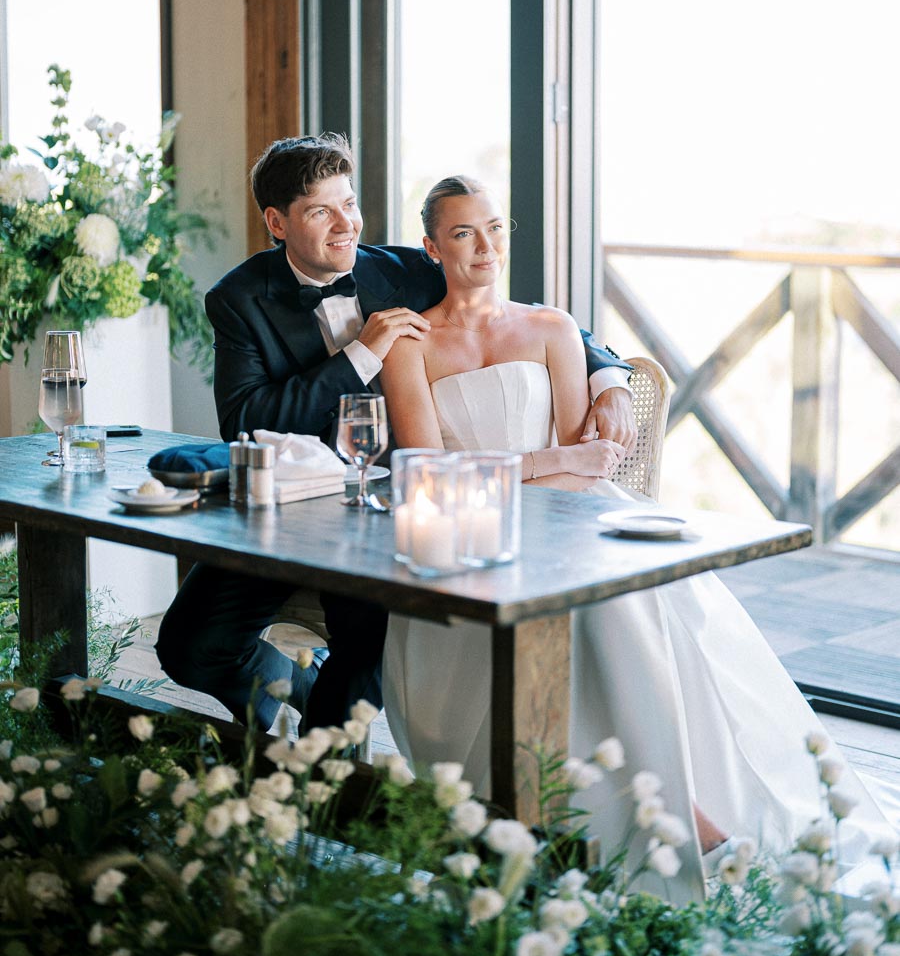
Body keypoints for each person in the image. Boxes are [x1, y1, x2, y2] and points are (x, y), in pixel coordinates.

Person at [379, 174, 894, 904]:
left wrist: (553, 462)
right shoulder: (411, 343)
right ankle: (674, 822)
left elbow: (582, 470)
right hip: (463, 538)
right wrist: (551, 462)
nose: (485, 247)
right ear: (432, 246)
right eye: (463, 233)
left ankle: (687, 814)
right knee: (601, 609)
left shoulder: (552, 329)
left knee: (620, 601)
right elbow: (429, 474)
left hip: (565, 520)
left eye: (496, 228)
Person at [155, 135, 633, 734]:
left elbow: (519, 313)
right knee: (190, 646)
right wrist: (358, 356)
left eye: (348, 204)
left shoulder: (404, 269)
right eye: (319, 211)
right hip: (287, 509)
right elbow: (247, 422)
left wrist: (611, 377)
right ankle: (293, 690)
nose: (344, 225)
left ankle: (319, 781)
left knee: (361, 665)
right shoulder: (239, 299)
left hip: (393, 513)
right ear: (277, 222)